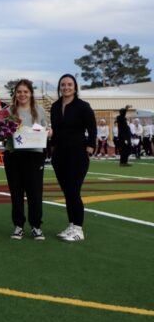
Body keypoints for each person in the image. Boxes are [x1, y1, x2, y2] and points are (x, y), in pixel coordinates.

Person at [51, 74, 96, 242]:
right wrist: (52, 147)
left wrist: (90, 148)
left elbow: (92, 128)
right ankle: (71, 225)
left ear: (75, 87)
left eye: (69, 84)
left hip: (77, 153)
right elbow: (55, 129)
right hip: (59, 155)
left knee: (73, 191)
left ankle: (78, 229)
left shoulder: (83, 106)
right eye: (63, 85)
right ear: (59, 87)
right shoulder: (55, 106)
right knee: (67, 192)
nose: (66, 87)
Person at [2, 80, 48, 240]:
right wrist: (4, 131)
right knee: (16, 192)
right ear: (15, 93)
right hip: (14, 155)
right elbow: (2, 133)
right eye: (19, 91)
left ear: (30, 93)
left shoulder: (40, 110)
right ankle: (18, 225)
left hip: (34, 156)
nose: (22, 94)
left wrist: (48, 132)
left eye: (25, 92)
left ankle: (36, 226)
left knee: (35, 192)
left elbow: (46, 129)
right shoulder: (8, 111)